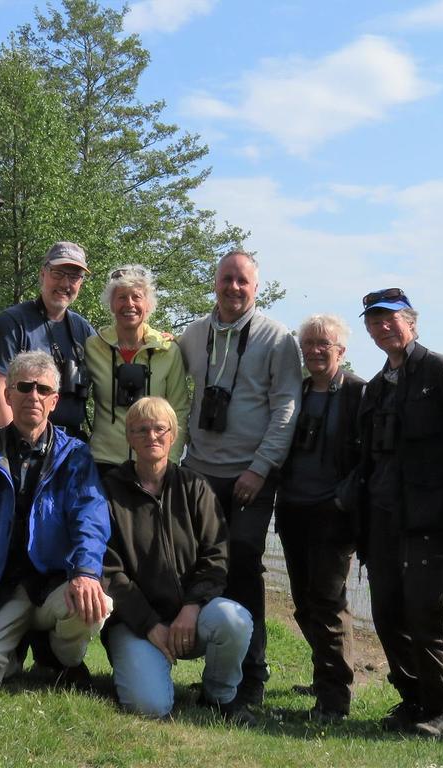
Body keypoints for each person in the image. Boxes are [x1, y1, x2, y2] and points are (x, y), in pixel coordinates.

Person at [0, 351, 112, 689]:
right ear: (7, 394)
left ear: (55, 401)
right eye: (24, 387)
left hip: (54, 586)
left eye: (43, 390)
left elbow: (90, 520)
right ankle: (13, 654)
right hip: (1, 591)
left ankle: (63, 658)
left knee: (96, 602)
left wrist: (86, 572)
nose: (34, 395)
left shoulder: (76, 456)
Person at [177, 250, 302, 707]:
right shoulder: (193, 335)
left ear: (256, 286)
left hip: (251, 472)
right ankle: (213, 663)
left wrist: (260, 467)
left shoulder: (276, 337)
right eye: (226, 278)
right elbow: (174, 387)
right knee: (200, 565)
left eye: (242, 281)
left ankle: (252, 678)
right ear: (215, 282)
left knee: (245, 564)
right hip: (200, 469)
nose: (233, 287)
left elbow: (287, 406)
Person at [102, 397, 255, 723]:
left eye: (160, 428)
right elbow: (108, 571)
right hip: (134, 622)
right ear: (129, 437)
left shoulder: (195, 487)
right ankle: (146, 671)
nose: (151, 436)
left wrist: (193, 605)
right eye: (141, 430)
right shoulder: (108, 491)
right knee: (151, 707)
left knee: (235, 619)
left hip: (191, 617)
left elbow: (217, 555)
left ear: (173, 436)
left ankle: (218, 696)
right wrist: (149, 624)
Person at [355, 288, 443, 737]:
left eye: (390, 319)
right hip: (383, 516)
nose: (382, 327)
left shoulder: (441, 371)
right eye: (374, 321)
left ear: (411, 323)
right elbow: (366, 461)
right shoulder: (376, 387)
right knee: (388, 613)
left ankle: (440, 709)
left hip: (432, 517)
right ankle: (411, 699)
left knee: (427, 612)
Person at [275, 314, 365, 722]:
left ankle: (335, 698)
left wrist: (350, 500)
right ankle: (322, 676)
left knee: (328, 602)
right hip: (293, 507)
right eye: (307, 344)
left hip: (334, 512)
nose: (314, 351)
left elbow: (370, 457)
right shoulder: (295, 389)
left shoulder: (360, 393)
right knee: (303, 603)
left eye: (323, 345)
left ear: (341, 351)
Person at [86, 265, 190, 473]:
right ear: (112, 304)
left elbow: (179, 411)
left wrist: (170, 461)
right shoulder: (93, 347)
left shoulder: (168, 351)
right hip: (103, 462)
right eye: (121, 297)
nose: (129, 304)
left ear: (148, 304)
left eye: (137, 297)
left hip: (154, 464)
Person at [0, 242, 95, 439]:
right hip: (25, 440)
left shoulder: (84, 330)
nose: (65, 284)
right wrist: (14, 446)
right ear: (42, 274)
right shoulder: (12, 322)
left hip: (72, 446)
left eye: (74, 277)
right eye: (58, 273)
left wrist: (161, 341)